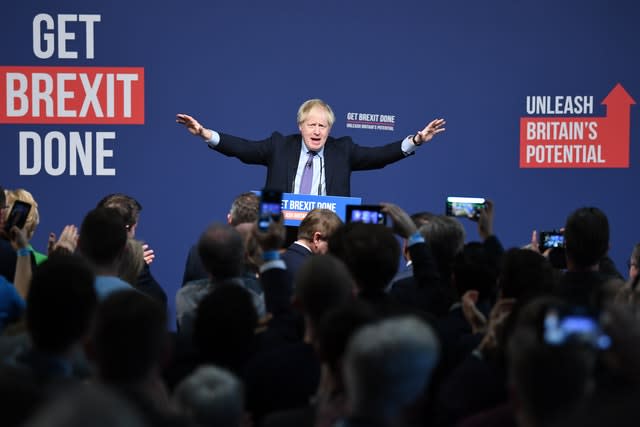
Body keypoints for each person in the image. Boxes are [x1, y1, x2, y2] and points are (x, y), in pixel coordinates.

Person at [176, 99, 446, 196]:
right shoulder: (280, 146)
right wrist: (204, 133)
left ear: (330, 129)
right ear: (300, 126)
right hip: (282, 231)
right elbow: (243, 149)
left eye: (323, 126)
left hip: (326, 232)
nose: (317, 131)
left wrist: (417, 140)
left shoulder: (344, 150)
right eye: (312, 125)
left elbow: (379, 156)